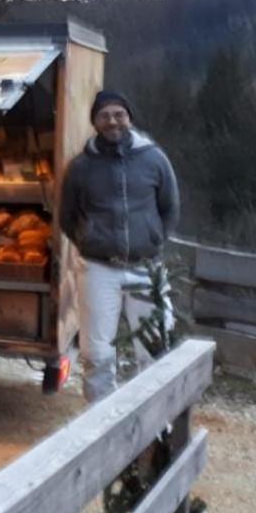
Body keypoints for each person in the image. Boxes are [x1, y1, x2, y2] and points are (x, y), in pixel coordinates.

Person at [59, 90, 180, 402]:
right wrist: (91, 241)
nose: (112, 121)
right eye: (105, 115)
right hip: (99, 270)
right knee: (96, 352)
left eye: (119, 114)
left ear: (129, 118)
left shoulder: (153, 158)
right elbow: (67, 217)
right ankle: (101, 424)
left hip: (146, 267)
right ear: (95, 122)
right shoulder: (81, 167)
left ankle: (155, 427)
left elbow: (170, 207)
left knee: (156, 346)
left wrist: (152, 240)